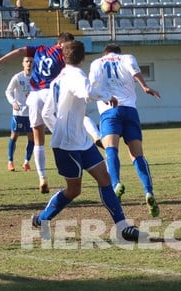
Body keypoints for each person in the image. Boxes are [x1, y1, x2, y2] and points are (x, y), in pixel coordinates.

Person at [33, 40, 143, 242]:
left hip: (80, 140)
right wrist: (108, 95)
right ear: (83, 58)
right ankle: (41, 219)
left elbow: (47, 112)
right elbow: (88, 93)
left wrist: (58, 128)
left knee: (105, 179)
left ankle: (121, 227)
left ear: (63, 57)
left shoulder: (58, 79)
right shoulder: (76, 75)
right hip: (67, 145)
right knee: (74, 190)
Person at [0, 32, 75, 194]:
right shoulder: (64, 56)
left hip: (34, 96)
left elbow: (19, 51)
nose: (70, 49)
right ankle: (68, 173)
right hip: (49, 95)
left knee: (38, 141)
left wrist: (0, 60)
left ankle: (42, 177)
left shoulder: (39, 49)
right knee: (63, 136)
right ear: (62, 44)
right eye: (69, 45)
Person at [88, 44, 161, 217]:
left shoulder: (97, 63)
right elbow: (134, 71)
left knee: (111, 150)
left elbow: (91, 85)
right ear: (118, 52)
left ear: (105, 53)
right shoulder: (127, 57)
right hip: (129, 110)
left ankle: (116, 184)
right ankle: (148, 191)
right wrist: (145, 87)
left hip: (109, 111)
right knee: (137, 155)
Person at [5, 57, 35, 172]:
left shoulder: (36, 77)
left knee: (31, 138)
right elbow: (8, 91)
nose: (29, 63)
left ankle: (26, 162)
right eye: (27, 61)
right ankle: (10, 161)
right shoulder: (18, 77)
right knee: (14, 136)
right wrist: (13, 102)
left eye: (31, 61)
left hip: (31, 113)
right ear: (23, 63)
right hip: (19, 112)